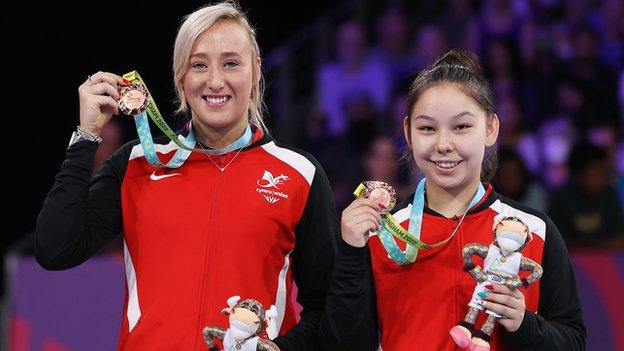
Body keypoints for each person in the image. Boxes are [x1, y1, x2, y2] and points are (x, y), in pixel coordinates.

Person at [35, 2, 338, 350]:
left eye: (231, 63)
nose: (215, 80)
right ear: (181, 76)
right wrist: (86, 136)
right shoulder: (135, 164)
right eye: (198, 65)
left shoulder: (299, 174)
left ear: (256, 70)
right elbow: (56, 249)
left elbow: (326, 308)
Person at [320, 50, 586, 350]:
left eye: (461, 127)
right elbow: (344, 344)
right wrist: (351, 253)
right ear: (407, 132)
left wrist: (524, 324)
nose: (444, 144)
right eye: (427, 128)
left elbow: (573, 341)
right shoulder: (383, 233)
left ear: (490, 129)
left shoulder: (533, 230)